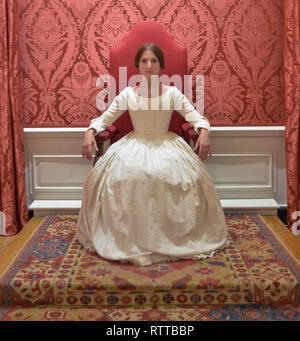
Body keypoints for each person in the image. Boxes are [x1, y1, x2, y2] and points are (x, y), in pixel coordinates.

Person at [76, 44, 229, 266]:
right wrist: (89, 132)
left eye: (154, 61)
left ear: (161, 65)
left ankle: (174, 236)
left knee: (172, 176)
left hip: (167, 145)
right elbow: (104, 119)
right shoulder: (128, 94)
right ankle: (128, 238)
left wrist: (204, 133)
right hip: (134, 144)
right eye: (144, 61)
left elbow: (197, 118)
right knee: (126, 176)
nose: (149, 65)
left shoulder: (172, 93)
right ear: (137, 65)